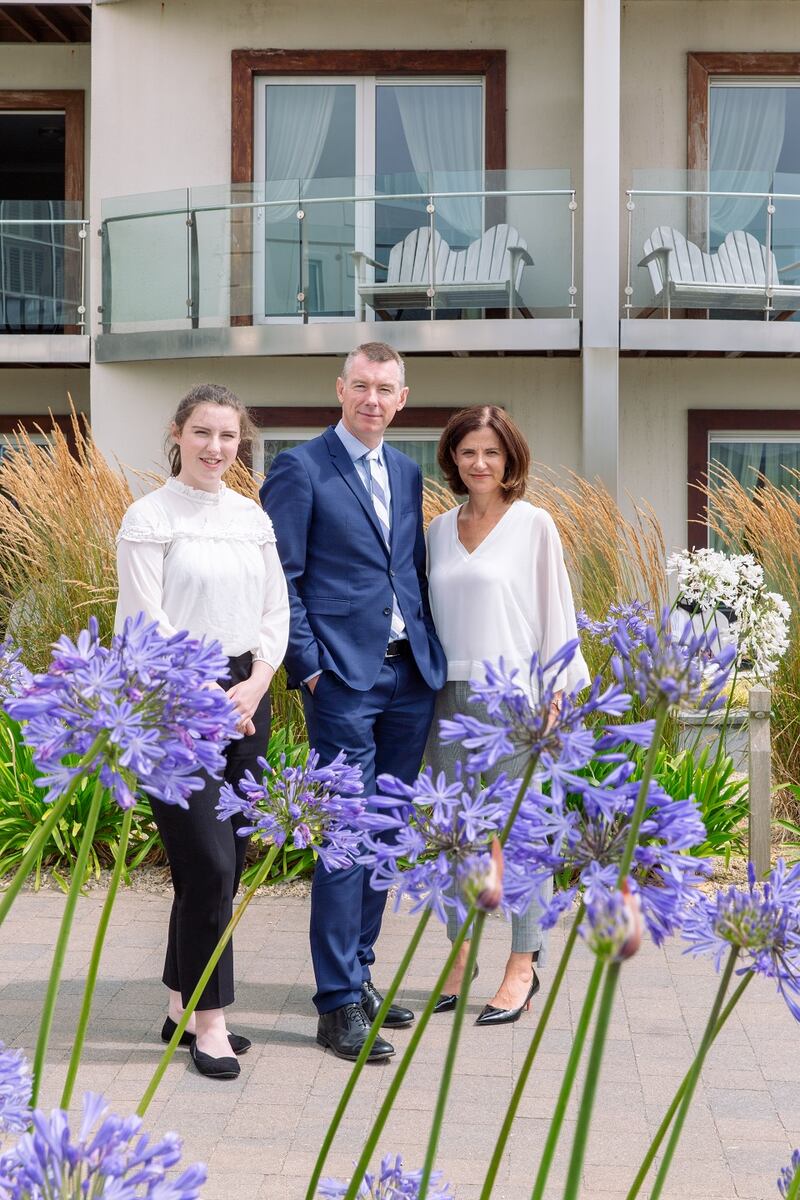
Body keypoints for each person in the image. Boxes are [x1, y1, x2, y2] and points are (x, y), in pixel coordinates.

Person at [261, 342, 446, 1063]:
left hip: (409, 677)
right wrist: (310, 670)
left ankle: (359, 974)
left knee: (388, 833)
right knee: (343, 839)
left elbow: (406, 568)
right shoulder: (300, 468)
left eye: (386, 389)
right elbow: (281, 576)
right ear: (340, 389)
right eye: (362, 385)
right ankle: (335, 1004)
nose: (373, 399)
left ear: (402, 398)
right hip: (342, 681)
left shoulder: (405, 472)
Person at [115, 383, 289, 1079]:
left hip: (248, 695)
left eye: (228, 437)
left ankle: (178, 1008)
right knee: (210, 864)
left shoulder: (251, 518)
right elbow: (142, 624)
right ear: (178, 434)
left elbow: (276, 606)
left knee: (215, 866)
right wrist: (209, 695)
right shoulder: (149, 517)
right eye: (204, 434)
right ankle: (211, 1025)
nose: (217, 448)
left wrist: (257, 681)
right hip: (174, 701)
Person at [425, 405, 588, 1025]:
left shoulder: (533, 524)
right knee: (454, 837)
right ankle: (458, 956)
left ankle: (523, 964)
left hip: (516, 699)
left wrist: (556, 699)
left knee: (518, 839)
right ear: (453, 459)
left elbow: (557, 613)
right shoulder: (439, 529)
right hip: (447, 697)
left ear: (511, 459)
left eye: (491, 452)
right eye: (468, 452)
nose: (479, 463)